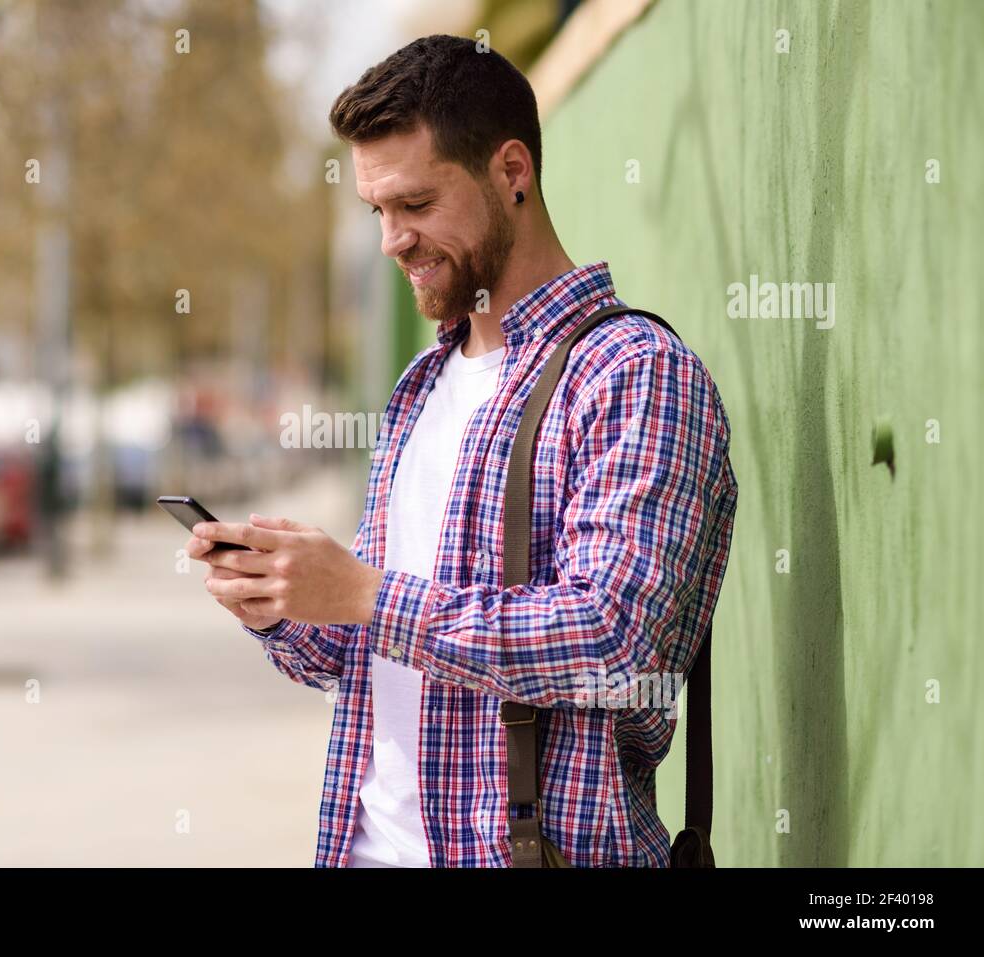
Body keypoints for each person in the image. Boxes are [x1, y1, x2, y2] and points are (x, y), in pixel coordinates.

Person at [185, 34, 737, 868]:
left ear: (512, 172)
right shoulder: (421, 384)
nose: (391, 241)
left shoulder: (635, 374)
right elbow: (370, 652)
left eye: (415, 204)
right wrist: (283, 600)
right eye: (377, 211)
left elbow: (615, 643)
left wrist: (369, 593)